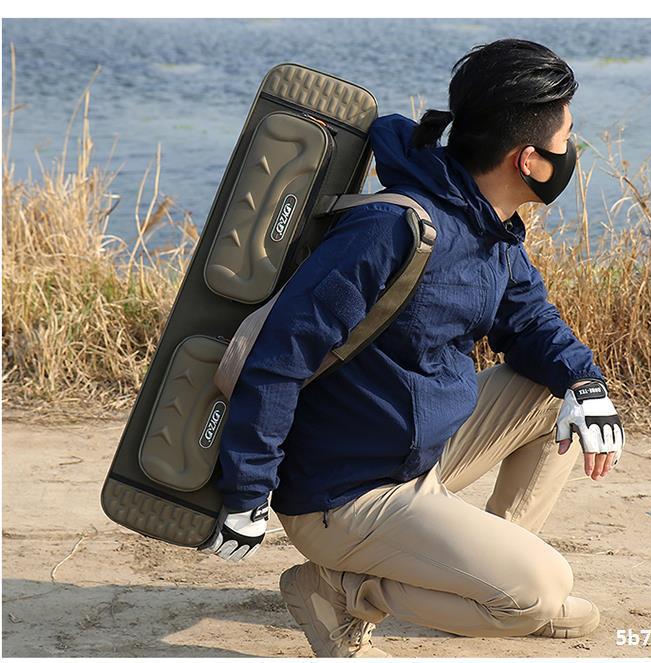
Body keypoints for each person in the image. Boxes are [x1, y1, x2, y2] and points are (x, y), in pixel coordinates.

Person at [198, 38, 625, 657]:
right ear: (529, 160)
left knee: (554, 391)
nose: (572, 150)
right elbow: (279, 355)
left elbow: (531, 323)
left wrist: (586, 384)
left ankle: (474, 579)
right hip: (343, 493)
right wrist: (248, 488)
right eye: (568, 137)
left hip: (415, 453)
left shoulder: (488, 225)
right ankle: (346, 590)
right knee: (540, 590)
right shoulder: (391, 229)